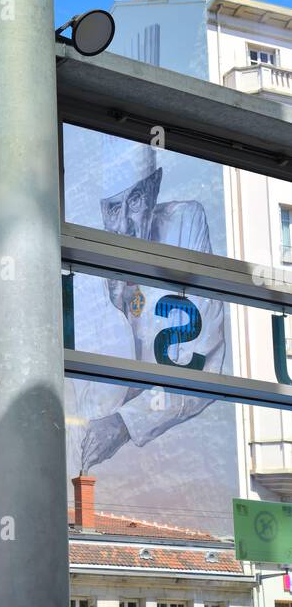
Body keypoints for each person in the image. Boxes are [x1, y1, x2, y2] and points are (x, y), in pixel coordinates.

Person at [76, 137, 227, 474]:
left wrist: (124, 423)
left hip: (170, 456)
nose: (125, 224)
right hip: (98, 464)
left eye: (136, 200)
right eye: (113, 209)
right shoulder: (80, 259)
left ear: (155, 187)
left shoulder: (185, 222)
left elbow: (202, 370)